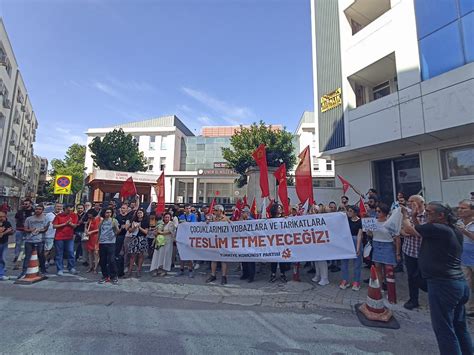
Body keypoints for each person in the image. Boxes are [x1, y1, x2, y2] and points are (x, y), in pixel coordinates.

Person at [404, 202, 472, 355]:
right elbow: (421, 230)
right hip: (457, 283)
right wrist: (415, 217)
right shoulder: (452, 230)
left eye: (429, 212)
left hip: (443, 284)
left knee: (444, 330)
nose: (426, 215)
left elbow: (409, 229)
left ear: (441, 215)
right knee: (459, 327)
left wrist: (404, 214)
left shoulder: (436, 228)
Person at [367, 203, 400, 301]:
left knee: (388, 269)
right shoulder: (373, 222)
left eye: (379, 211)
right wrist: (369, 231)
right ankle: (380, 288)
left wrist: (397, 252)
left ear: (385, 213)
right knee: (378, 268)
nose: (377, 213)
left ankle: (390, 291)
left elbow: (397, 238)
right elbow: (371, 234)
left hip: (388, 245)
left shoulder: (390, 223)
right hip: (377, 244)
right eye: (376, 211)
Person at [401, 195, 426, 310]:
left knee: (423, 278)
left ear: (421, 202)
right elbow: (403, 228)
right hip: (409, 251)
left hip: (423, 253)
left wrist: (409, 228)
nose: (409, 203)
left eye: (412, 201)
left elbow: (418, 231)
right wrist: (403, 231)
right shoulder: (407, 215)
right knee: (411, 277)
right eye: (409, 201)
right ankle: (413, 299)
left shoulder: (427, 216)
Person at [19, 204, 49, 279]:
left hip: (40, 240)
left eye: (39, 209)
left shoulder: (45, 219)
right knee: (27, 257)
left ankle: (43, 270)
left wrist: (39, 230)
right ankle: (24, 272)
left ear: (42, 210)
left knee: (41, 256)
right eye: (36, 209)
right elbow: (25, 229)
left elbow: (45, 229)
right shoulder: (29, 219)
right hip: (29, 240)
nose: (37, 210)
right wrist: (30, 230)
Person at [340, 205, 363, 291]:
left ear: (355, 213)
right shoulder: (346, 220)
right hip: (346, 241)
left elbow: (359, 235)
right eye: (348, 211)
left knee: (357, 263)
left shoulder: (360, 222)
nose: (348, 212)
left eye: (350, 211)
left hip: (355, 241)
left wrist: (357, 248)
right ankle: (345, 280)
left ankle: (356, 281)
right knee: (344, 262)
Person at [206, 205, 231, 285]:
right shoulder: (212, 218)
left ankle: (224, 276)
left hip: (223, 242)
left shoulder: (226, 219)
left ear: (220, 211)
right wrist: (207, 222)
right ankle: (213, 275)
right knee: (214, 259)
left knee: (224, 260)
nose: (214, 211)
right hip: (214, 241)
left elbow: (232, 228)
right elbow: (206, 226)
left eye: (216, 210)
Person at [457, 199, 474, 316]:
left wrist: (465, 231)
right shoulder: (458, 222)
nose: (460, 210)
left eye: (463, 208)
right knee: (467, 285)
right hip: (464, 258)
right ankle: (470, 309)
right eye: (459, 208)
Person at [52, 204, 79, 276]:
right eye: (68, 210)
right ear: (65, 209)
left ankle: (71, 267)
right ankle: (60, 269)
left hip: (69, 237)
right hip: (59, 237)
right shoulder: (58, 216)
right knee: (59, 253)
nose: (70, 211)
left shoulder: (74, 215)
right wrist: (65, 224)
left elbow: (75, 226)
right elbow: (54, 226)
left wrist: (70, 223)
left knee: (71, 252)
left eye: (71, 210)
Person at [269, 204, 290, 283]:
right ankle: (273, 274)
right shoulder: (270, 219)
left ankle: (282, 274)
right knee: (274, 259)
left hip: (282, 242)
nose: (280, 209)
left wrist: (287, 220)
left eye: (281, 208)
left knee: (282, 259)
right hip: (273, 242)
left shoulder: (284, 219)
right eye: (278, 208)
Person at [98, 208, 120, 284]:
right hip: (102, 242)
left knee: (111, 260)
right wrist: (97, 241)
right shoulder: (102, 221)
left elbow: (117, 231)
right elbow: (99, 232)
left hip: (111, 242)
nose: (108, 214)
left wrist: (117, 228)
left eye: (110, 212)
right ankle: (105, 275)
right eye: (107, 212)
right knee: (102, 260)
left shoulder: (114, 221)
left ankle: (114, 275)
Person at [150, 212, 176, 277]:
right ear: (163, 217)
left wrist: (160, 232)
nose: (166, 218)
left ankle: (164, 270)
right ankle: (157, 268)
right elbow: (156, 231)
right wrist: (156, 232)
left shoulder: (171, 224)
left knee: (166, 256)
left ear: (170, 218)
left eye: (168, 217)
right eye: (165, 217)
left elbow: (169, 232)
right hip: (159, 241)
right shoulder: (160, 223)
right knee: (158, 255)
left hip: (168, 242)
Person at [310, 204, 330, 286]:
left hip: (321, 241)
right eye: (313, 209)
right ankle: (318, 275)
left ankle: (325, 278)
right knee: (316, 259)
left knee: (322, 260)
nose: (313, 211)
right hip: (314, 241)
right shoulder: (310, 218)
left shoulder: (323, 218)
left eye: (316, 210)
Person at [127, 209, 149, 278]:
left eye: (141, 213)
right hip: (134, 238)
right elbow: (129, 231)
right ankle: (129, 271)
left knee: (140, 255)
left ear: (143, 214)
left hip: (142, 238)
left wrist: (139, 227)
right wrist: (134, 227)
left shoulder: (145, 221)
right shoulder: (133, 221)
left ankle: (138, 270)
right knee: (133, 255)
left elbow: (146, 232)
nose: (139, 214)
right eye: (138, 213)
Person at [13, 198, 34, 267]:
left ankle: (24, 256)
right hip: (19, 229)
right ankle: (16, 256)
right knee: (18, 243)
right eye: (24, 204)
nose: (24, 205)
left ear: (30, 204)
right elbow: (16, 218)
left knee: (26, 244)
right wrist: (19, 225)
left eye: (26, 204)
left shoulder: (33, 211)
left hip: (28, 230)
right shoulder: (20, 211)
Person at [177, 205, 195, 277]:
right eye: (186, 208)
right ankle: (181, 269)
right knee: (181, 254)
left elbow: (193, 225)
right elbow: (178, 225)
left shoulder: (193, 216)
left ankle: (190, 270)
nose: (188, 209)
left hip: (190, 237)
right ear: (184, 209)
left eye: (189, 208)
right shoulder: (181, 216)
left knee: (190, 255)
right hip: (182, 237)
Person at [44, 203, 62, 269]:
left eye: (60, 206)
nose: (59, 208)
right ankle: (45, 261)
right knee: (47, 249)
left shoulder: (63, 215)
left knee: (55, 248)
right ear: (54, 207)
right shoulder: (49, 215)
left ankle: (52, 259)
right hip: (49, 234)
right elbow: (45, 224)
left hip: (59, 235)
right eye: (57, 206)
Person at [240, 207, 255, 283]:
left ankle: (251, 276)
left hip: (250, 243)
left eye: (243, 212)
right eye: (242, 212)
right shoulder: (241, 221)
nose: (242, 214)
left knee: (250, 260)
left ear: (247, 213)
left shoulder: (251, 221)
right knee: (244, 259)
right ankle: (245, 274)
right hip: (243, 243)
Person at [0, 211, 14, 280]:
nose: (1, 218)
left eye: (3, 216)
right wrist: (5, 232)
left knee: (2, 258)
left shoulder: (7, 223)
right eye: (0, 217)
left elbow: (11, 232)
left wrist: (7, 232)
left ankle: (1, 274)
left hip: (4, 243)